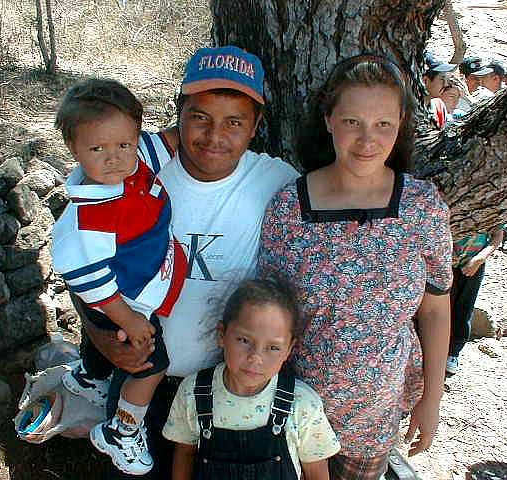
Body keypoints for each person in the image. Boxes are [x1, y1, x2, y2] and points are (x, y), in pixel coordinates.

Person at [79, 46, 299, 479]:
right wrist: (99, 335)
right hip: (141, 378)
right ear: (178, 113)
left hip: (225, 389)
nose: (215, 135)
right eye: (200, 117)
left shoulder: (276, 181)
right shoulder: (135, 174)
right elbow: (80, 258)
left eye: (234, 122)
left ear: (256, 126)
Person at [259, 54, 453, 479]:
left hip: (375, 421)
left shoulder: (422, 207)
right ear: (329, 120)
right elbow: (263, 316)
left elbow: (436, 309)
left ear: (401, 124)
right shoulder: (289, 207)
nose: (368, 139)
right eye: (352, 122)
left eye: (383, 124)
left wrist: (431, 399)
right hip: (291, 414)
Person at [51, 78, 187, 475]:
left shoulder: (135, 158)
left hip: (137, 279)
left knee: (101, 355)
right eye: (97, 150)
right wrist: (129, 320)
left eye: (124, 145)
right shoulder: (88, 218)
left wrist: (203, 125)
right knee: (150, 365)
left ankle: (90, 377)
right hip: (119, 302)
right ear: (74, 148)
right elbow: (89, 283)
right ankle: (122, 431)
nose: (113, 158)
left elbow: (169, 141)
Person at [163, 277, 341, 479]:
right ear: (222, 334)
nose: (255, 357)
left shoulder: (302, 403)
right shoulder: (193, 393)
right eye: (244, 340)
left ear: (288, 349)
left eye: (273, 347)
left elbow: (316, 471)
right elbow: (184, 454)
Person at [446, 227, 504, 375]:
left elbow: (497, 236)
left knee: (464, 308)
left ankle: (453, 352)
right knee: (440, 307)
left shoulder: (492, 214)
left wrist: (479, 260)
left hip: (473, 264)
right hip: (445, 261)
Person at [423, 52, 456, 129]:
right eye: (442, 79)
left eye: (446, 80)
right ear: (425, 81)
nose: (446, 85)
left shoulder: (439, 106)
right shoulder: (407, 109)